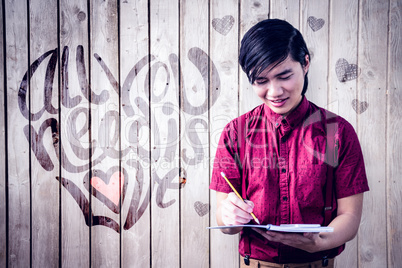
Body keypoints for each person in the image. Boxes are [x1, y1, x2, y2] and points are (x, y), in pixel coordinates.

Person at [209, 19, 369, 268]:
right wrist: (229, 218)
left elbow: (349, 217)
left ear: (305, 63)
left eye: (284, 76)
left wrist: (319, 242)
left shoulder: (338, 132)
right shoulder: (235, 133)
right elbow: (223, 217)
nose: (274, 92)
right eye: (261, 81)